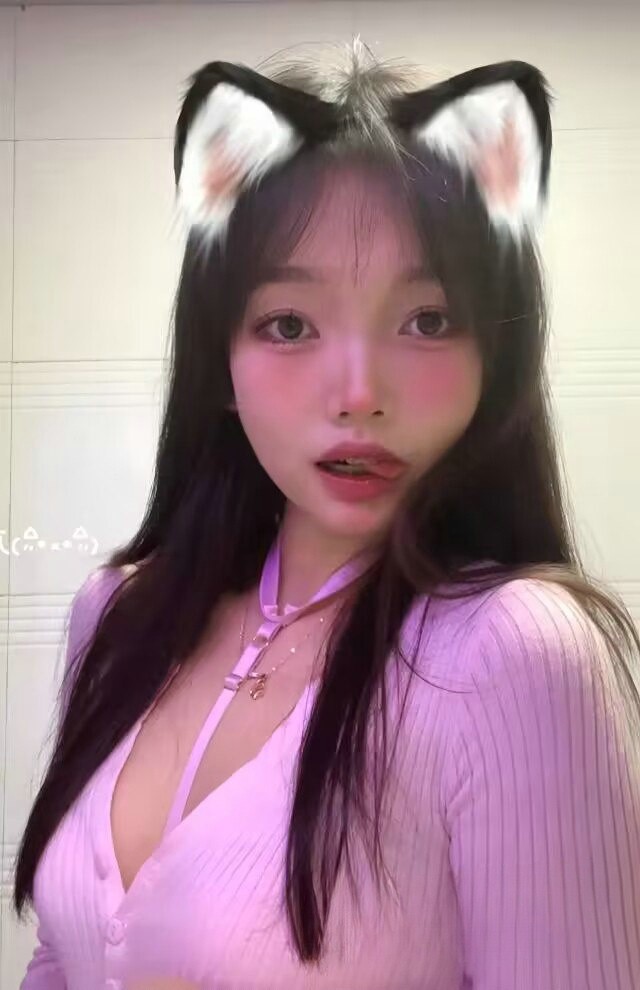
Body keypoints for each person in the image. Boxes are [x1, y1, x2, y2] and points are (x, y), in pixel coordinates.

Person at [12, 36, 640, 990]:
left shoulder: (511, 654)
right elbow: (64, 955)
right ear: (219, 359)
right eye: (289, 325)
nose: (358, 394)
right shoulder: (118, 613)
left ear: (496, 358)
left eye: (428, 320)